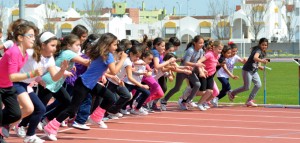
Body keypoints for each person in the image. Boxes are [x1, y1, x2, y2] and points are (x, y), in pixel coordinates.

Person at [43, 33, 127, 141]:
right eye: (114, 45)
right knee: (72, 110)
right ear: (107, 44)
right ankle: (50, 127)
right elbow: (114, 71)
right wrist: (123, 59)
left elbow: (98, 67)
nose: (116, 48)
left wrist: (102, 74)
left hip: (90, 84)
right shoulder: (107, 55)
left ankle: (95, 117)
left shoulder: (102, 53)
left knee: (111, 97)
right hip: (83, 84)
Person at [13, 32, 68, 143]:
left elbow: (54, 78)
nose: (55, 48)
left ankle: (29, 136)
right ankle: (9, 124)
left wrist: (61, 70)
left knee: (40, 109)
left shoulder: (49, 58)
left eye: (56, 46)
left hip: (25, 85)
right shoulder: (30, 53)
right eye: (52, 45)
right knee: (28, 108)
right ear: (43, 45)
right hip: (14, 82)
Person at [0, 23, 37, 143]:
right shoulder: (14, 52)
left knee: (15, 114)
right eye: (30, 36)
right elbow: (12, 76)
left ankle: (2, 126)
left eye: (34, 36)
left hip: (7, 87)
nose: (33, 39)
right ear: (20, 38)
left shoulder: (25, 54)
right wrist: (30, 75)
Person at [161, 35, 204, 111]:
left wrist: (202, 70)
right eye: (200, 43)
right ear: (195, 43)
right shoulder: (190, 50)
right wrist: (195, 65)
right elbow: (186, 62)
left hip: (191, 71)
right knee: (177, 88)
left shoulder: (201, 51)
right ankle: (164, 101)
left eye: (202, 43)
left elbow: (199, 62)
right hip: (182, 71)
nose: (202, 44)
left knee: (197, 84)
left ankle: (186, 101)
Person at [228, 38, 269, 107]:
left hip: (254, 71)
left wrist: (259, 66)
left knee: (258, 85)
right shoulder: (258, 50)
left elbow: (257, 61)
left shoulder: (263, 52)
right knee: (246, 87)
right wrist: (262, 61)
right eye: (263, 45)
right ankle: (232, 93)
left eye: (265, 45)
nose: (264, 46)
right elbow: (255, 58)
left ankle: (249, 100)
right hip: (247, 70)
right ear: (259, 44)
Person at [213, 42, 246, 106]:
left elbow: (242, 61)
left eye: (236, 51)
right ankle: (224, 95)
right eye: (233, 51)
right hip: (221, 74)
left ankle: (215, 98)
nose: (234, 53)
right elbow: (225, 68)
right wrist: (232, 76)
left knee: (225, 90)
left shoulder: (235, 57)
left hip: (227, 75)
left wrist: (245, 61)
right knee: (227, 87)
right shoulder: (224, 57)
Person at [196, 41, 223, 111]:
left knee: (210, 91)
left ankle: (199, 104)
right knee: (203, 92)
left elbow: (213, 63)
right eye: (219, 49)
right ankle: (188, 94)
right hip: (204, 75)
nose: (220, 51)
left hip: (210, 75)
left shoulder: (217, 55)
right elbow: (199, 62)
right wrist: (202, 71)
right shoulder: (209, 54)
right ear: (214, 48)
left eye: (221, 49)